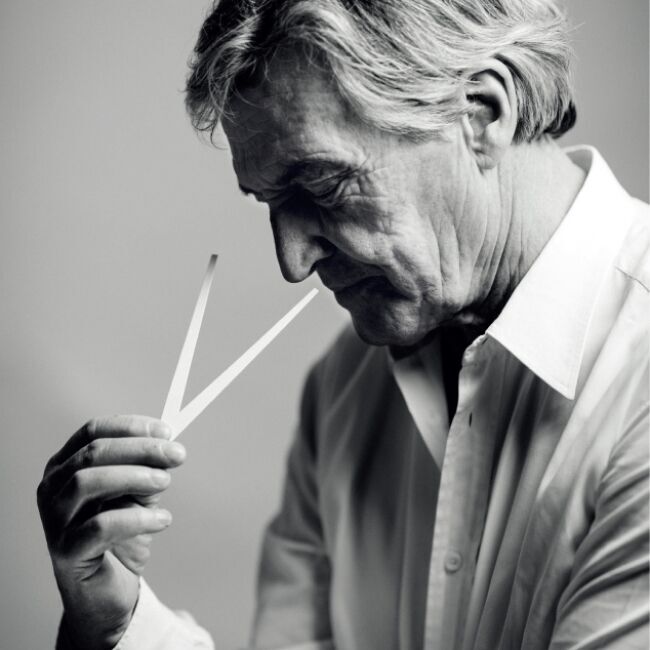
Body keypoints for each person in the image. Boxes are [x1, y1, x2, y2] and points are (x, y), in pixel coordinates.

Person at [38, 1, 649, 649]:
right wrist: (115, 627)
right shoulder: (344, 386)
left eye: (323, 185)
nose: (292, 262)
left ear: (481, 115)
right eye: (271, 204)